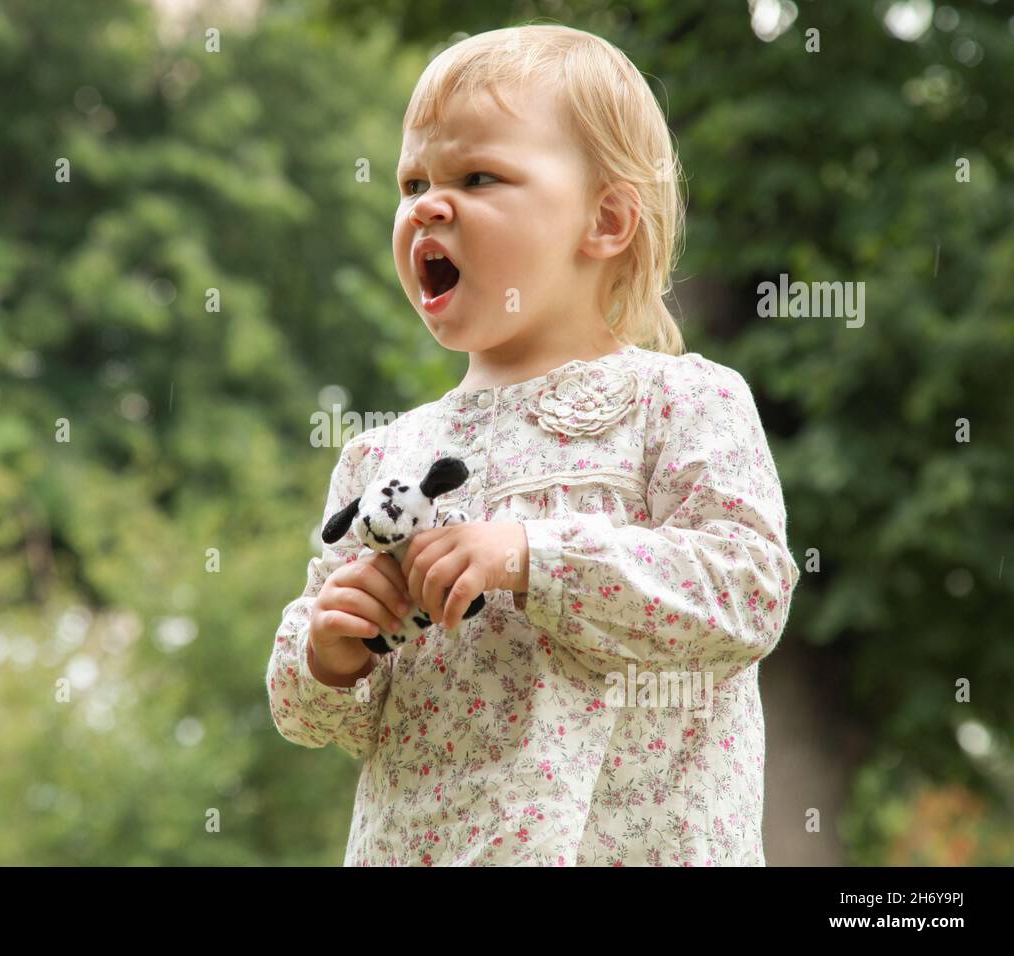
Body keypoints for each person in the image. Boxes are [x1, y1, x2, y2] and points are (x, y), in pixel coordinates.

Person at [266, 24, 800, 866]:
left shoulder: (680, 402)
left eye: (478, 177)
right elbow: (324, 719)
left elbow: (747, 593)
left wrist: (534, 556)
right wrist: (329, 652)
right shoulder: (382, 460)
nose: (427, 206)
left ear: (609, 220)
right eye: (412, 183)